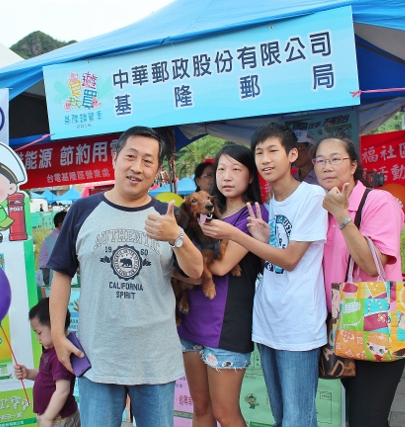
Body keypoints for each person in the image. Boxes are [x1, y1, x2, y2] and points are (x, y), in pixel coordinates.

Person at [48, 126, 203, 427]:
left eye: (148, 161)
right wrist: (57, 335)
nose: (137, 167)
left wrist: (177, 237)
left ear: (157, 170)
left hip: (155, 358)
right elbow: (61, 275)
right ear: (115, 159)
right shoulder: (82, 210)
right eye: (130, 157)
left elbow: (196, 271)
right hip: (99, 355)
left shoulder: (166, 215)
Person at [202, 123, 327, 427]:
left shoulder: (312, 196)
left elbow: (290, 260)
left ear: (293, 155)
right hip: (268, 321)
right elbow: (271, 257)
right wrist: (262, 238)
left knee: (298, 419)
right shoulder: (270, 205)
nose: (265, 159)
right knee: (281, 416)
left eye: (273, 151)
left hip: (299, 325)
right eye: (259, 153)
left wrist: (239, 234)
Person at [314, 136, 405, 427]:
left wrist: (343, 216)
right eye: (320, 160)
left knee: (366, 418)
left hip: (376, 321)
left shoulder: (378, 201)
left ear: (354, 165)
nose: (327, 166)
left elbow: (371, 263)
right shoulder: (321, 208)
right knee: (365, 415)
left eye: (335, 159)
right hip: (340, 324)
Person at [179, 144, 266, 426]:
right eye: (221, 169)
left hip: (227, 324)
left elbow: (220, 266)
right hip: (191, 317)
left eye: (236, 169)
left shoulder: (254, 214)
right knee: (200, 407)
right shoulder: (206, 213)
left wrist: (189, 261)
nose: (227, 176)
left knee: (225, 414)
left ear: (251, 176)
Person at [14, 298, 80, 427]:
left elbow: (63, 390)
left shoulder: (60, 355)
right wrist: (28, 373)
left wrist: (48, 417)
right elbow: (46, 374)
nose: (37, 338)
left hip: (60, 419)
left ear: (56, 326)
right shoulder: (50, 351)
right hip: (51, 418)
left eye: (39, 333)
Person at [39, 211, 68, 286]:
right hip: (48, 272)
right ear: (60, 224)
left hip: (52, 270)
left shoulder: (57, 236)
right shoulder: (55, 238)